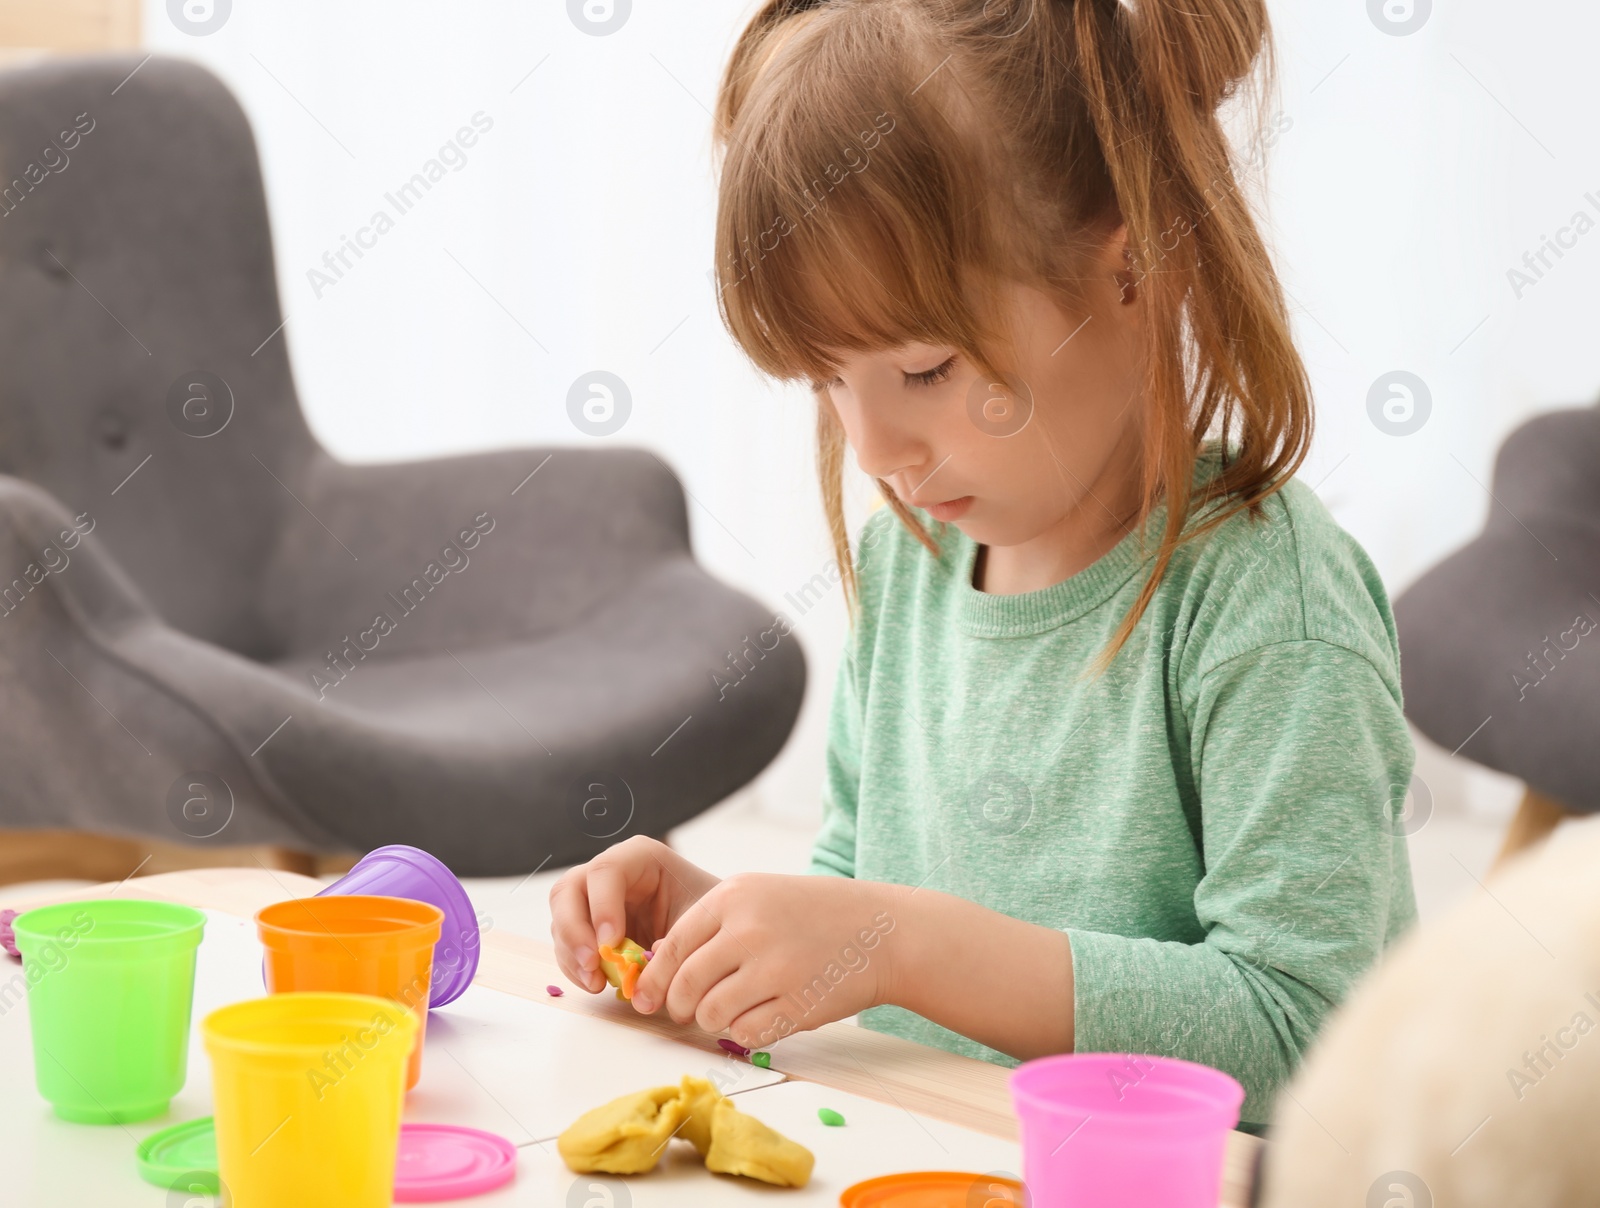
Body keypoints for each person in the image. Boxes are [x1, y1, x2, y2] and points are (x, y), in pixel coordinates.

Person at [550, 0, 1416, 1134]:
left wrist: (901, 943)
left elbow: (1306, 1034)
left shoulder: (1267, 607)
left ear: (1135, 267)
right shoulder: (909, 561)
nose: (873, 451)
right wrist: (732, 940)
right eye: (827, 382)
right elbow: (860, 903)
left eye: (925, 367)